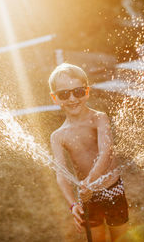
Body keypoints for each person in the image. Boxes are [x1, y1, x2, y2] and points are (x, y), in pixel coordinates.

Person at [49, 63, 129, 242]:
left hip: (112, 190)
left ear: (87, 91)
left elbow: (106, 153)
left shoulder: (99, 118)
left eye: (77, 91)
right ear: (55, 98)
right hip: (88, 198)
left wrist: (89, 182)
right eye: (64, 94)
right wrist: (73, 205)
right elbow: (61, 176)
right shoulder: (58, 136)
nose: (72, 99)